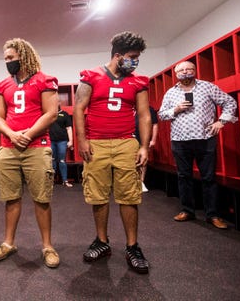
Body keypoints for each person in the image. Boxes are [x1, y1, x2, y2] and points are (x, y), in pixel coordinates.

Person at [73, 31, 151, 274]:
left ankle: (132, 246)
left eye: (137, 57)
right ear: (118, 56)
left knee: (129, 196)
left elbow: (144, 114)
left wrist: (144, 146)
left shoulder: (138, 81)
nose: (135, 61)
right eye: (132, 57)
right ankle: (102, 241)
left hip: (126, 143)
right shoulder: (92, 77)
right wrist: (82, 141)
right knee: (97, 195)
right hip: (96, 144)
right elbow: (78, 109)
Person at [0, 38, 60, 268]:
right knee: (11, 198)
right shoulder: (3, 85)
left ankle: (47, 246)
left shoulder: (44, 80)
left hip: (37, 146)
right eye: (5, 59)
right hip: (9, 148)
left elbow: (51, 113)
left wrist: (27, 134)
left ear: (24, 55)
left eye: (11, 58)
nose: (7, 62)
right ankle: (9, 243)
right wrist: (12, 134)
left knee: (41, 199)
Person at [158, 60, 237, 229]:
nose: (186, 72)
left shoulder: (207, 87)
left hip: (206, 138)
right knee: (183, 176)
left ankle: (212, 215)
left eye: (189, 69)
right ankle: (187, 210)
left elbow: (230, 102)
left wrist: (221, 121)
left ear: (195, 70)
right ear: (176, 74)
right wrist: (176, 110)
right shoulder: (170, 93)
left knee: (208, 178)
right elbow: (162, 115)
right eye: (182, 70)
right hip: (179, 140)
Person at [50, 101, 74, 187]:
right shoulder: (49, 114)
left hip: (62, 141)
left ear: (59, 104)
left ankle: (65, 180)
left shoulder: (65, 114)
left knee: (62, 161)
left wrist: (71, 141)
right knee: (52, 160)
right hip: (51, 141)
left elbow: (69, 128)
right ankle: (51, 181)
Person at [135, 106, 159, 192]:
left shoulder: (149, 109)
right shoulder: (128, 106)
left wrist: (153, 139)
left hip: (143, 138)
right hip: (129, 137)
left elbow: (155, 125)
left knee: (143, 161)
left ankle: (141, 182)